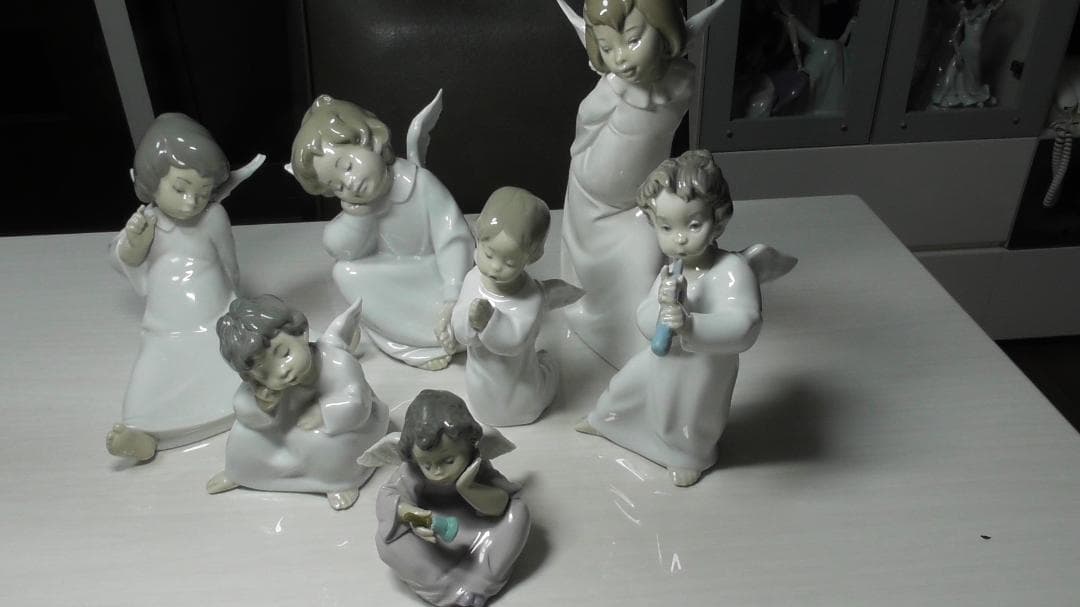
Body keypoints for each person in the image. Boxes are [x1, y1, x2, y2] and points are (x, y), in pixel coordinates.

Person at [577, 151, 766, 487]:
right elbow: (645, 314)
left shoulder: (731, 270)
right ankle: (607, 420)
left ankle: (687, 456)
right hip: (664, 359)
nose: (679, 237)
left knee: (687, 415)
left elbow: (746, 324)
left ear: (718, 222)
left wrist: (690, 325)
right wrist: (661, 311)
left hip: (704, 368)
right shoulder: (671, 272)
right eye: (666, 227)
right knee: (627, 386)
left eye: (693, 225)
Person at [558, 0, 709, 369]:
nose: (621, 59)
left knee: (647, 259)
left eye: (633, 40)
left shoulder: (681, 82)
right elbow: (586, 123)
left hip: (643, 200)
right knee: (602, 271)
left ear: (665, 32)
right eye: (607, 48)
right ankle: (607, 329)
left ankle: (638, 340)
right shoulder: (611, 89)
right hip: (593, 198)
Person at [105, 113, 256, 462]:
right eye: (180, 188)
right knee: (151, 377)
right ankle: (142, 432)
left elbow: (229, 264)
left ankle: (248, 405)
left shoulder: (213, 217)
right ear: (151, 182)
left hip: (215, 315)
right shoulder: (148, 222)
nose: (190, 202)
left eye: (202, 193)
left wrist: (236, 303)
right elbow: (122, 258)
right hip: (166, 327)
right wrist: (135, 244)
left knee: (237, 364)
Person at [290, 95, 472, 370]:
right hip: (397, 279)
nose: (349, 183)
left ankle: (452, 329)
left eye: (347, 166)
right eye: (337, 187)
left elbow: (453, 239)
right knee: (345, 272)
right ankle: (412, 339)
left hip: (440, 274)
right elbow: (342, 250)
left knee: (467, 290)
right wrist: (358, 217)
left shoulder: (420, 184)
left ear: (371, 141)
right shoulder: (361, 210)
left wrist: (452, 292)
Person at [209, 294, 389, 510]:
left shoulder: (337, 361)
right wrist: (264, 405)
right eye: (265, 373)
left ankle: (338, 482)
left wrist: (324, 413)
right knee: (244, 434)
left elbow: (357, 401)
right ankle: (241, 473)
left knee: (326, 444)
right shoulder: (265, 387)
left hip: (342, 425)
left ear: (302, 333)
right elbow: (243, 406)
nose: (282, 372)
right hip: (288, 430)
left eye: (285, 354)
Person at [374, 390, 530, 607]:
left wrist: (467, 487)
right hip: (434, 539)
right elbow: (387, 498)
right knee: (386, 542)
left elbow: (501, 505)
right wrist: (414, 517)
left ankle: (481, 582)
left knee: (518, 513)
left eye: (448, 461)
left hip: (479, 533)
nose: (437, 472)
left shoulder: (478, 466)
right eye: (427, 464)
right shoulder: (411, 472)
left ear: (469, 446)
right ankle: (448, 589)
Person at [448, 187, 561, 426]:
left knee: (543, 378)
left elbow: (513, 343)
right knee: (483, 400)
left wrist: (489, 322)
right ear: (478, 237)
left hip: (518, 385)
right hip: (480, 385)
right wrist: (468, 320)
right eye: (489, 254)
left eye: (509, 262)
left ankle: (544, 380)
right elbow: (461, 333)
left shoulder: (531, 297)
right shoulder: (472, 279)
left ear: (532, 257)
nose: (495, 267)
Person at [931, 0, 1005, 108]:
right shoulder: (965, 14)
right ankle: (943, 95)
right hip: (964, 47)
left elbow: (1000, 3)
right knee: (953, 70)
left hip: (975, 49)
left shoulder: (986, 12)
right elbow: (954, 36)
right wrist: (958, 52)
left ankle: (973, 96)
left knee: (972, 75)